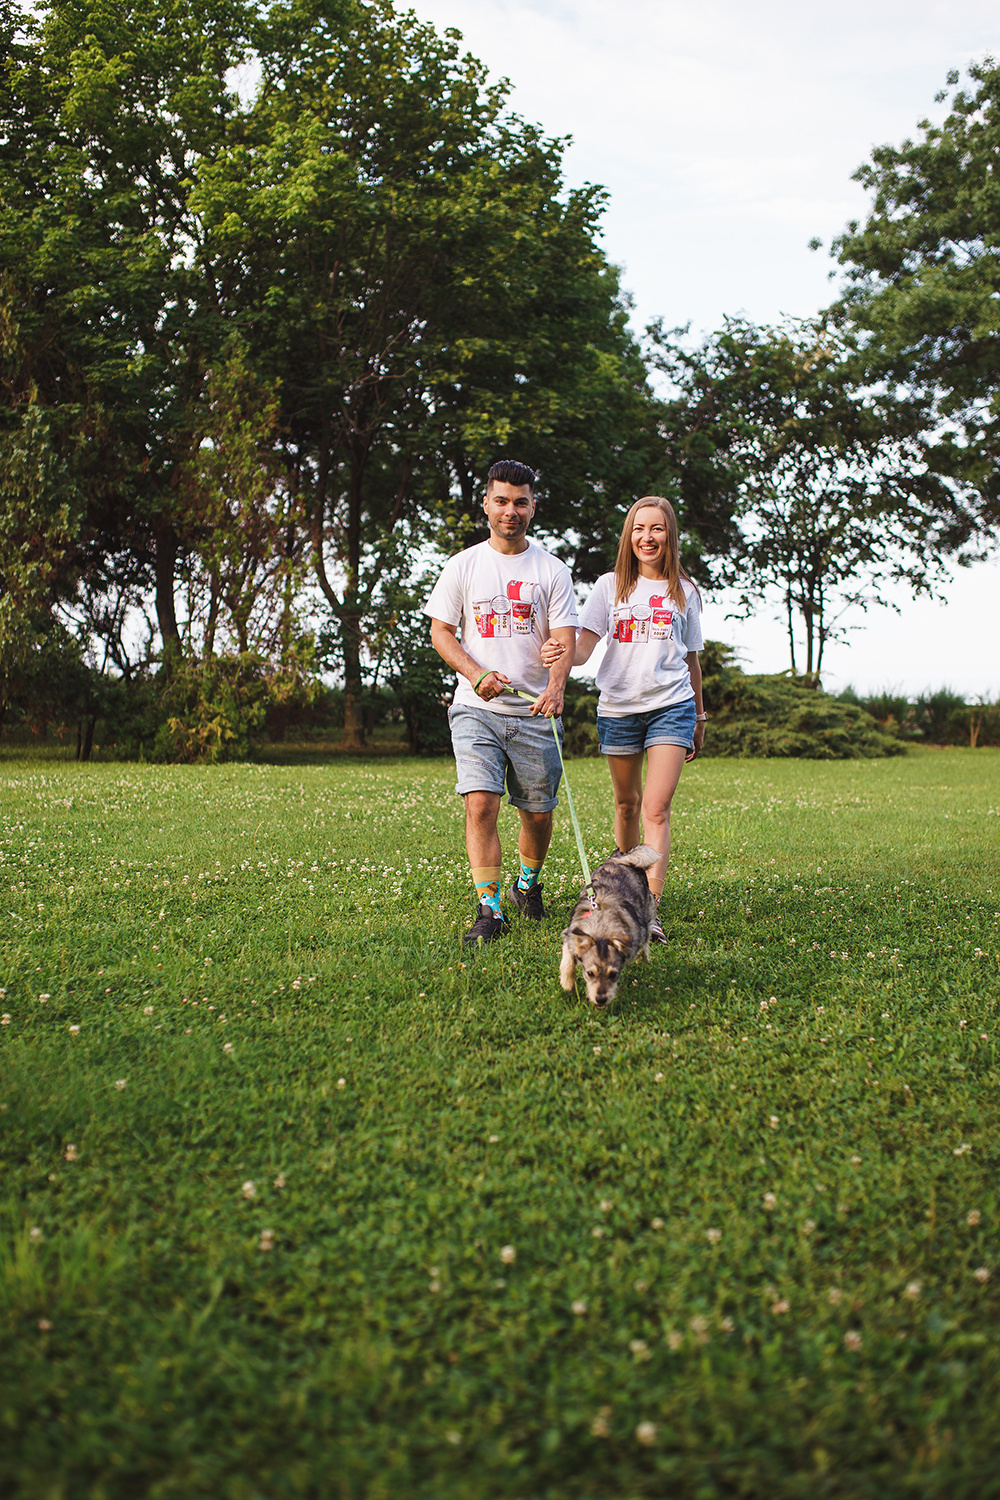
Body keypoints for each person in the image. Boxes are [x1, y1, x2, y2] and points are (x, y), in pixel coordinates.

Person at [425, 460, 578, 944]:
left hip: (534, 711)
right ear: (486, 503)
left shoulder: (552, 570)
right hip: (476, 709)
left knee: (537, 812)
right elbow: (441, 633)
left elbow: (564, 641)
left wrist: (555, 686)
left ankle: (526, 886)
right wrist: (476, 673)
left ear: (533, 506)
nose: (510, 510)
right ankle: (490, 910)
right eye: (501, 500)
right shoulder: (463, 565)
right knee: (481, 805)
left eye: (520, 502)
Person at [541, 496, 706, 943]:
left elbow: (691, 660)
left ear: (670, 535)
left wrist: (700, 716)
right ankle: (626, 889)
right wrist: (560, 651)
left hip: (672, 706)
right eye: (638, 529)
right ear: (628, 536)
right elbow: (582, 648)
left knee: (655, 807)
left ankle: (648, 908)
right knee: (627, 806)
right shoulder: (609, 586)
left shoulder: (685, 591)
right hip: (618, 709)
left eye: (656, 529)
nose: (647, 537)